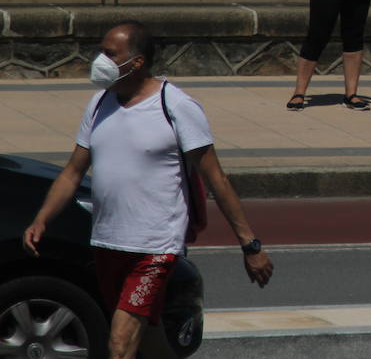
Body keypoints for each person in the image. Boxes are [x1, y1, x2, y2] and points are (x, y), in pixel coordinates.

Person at [23, 20, 273, 359]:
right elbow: (72, 172)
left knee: (120, 341)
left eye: (110, 54)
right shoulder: (99, 104)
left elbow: (217, 179)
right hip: (108, 240)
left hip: (155, 246)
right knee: (149, 336)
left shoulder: (176, 106)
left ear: (136, 62)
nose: (100, 60)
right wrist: (42, 219)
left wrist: (250, 244)